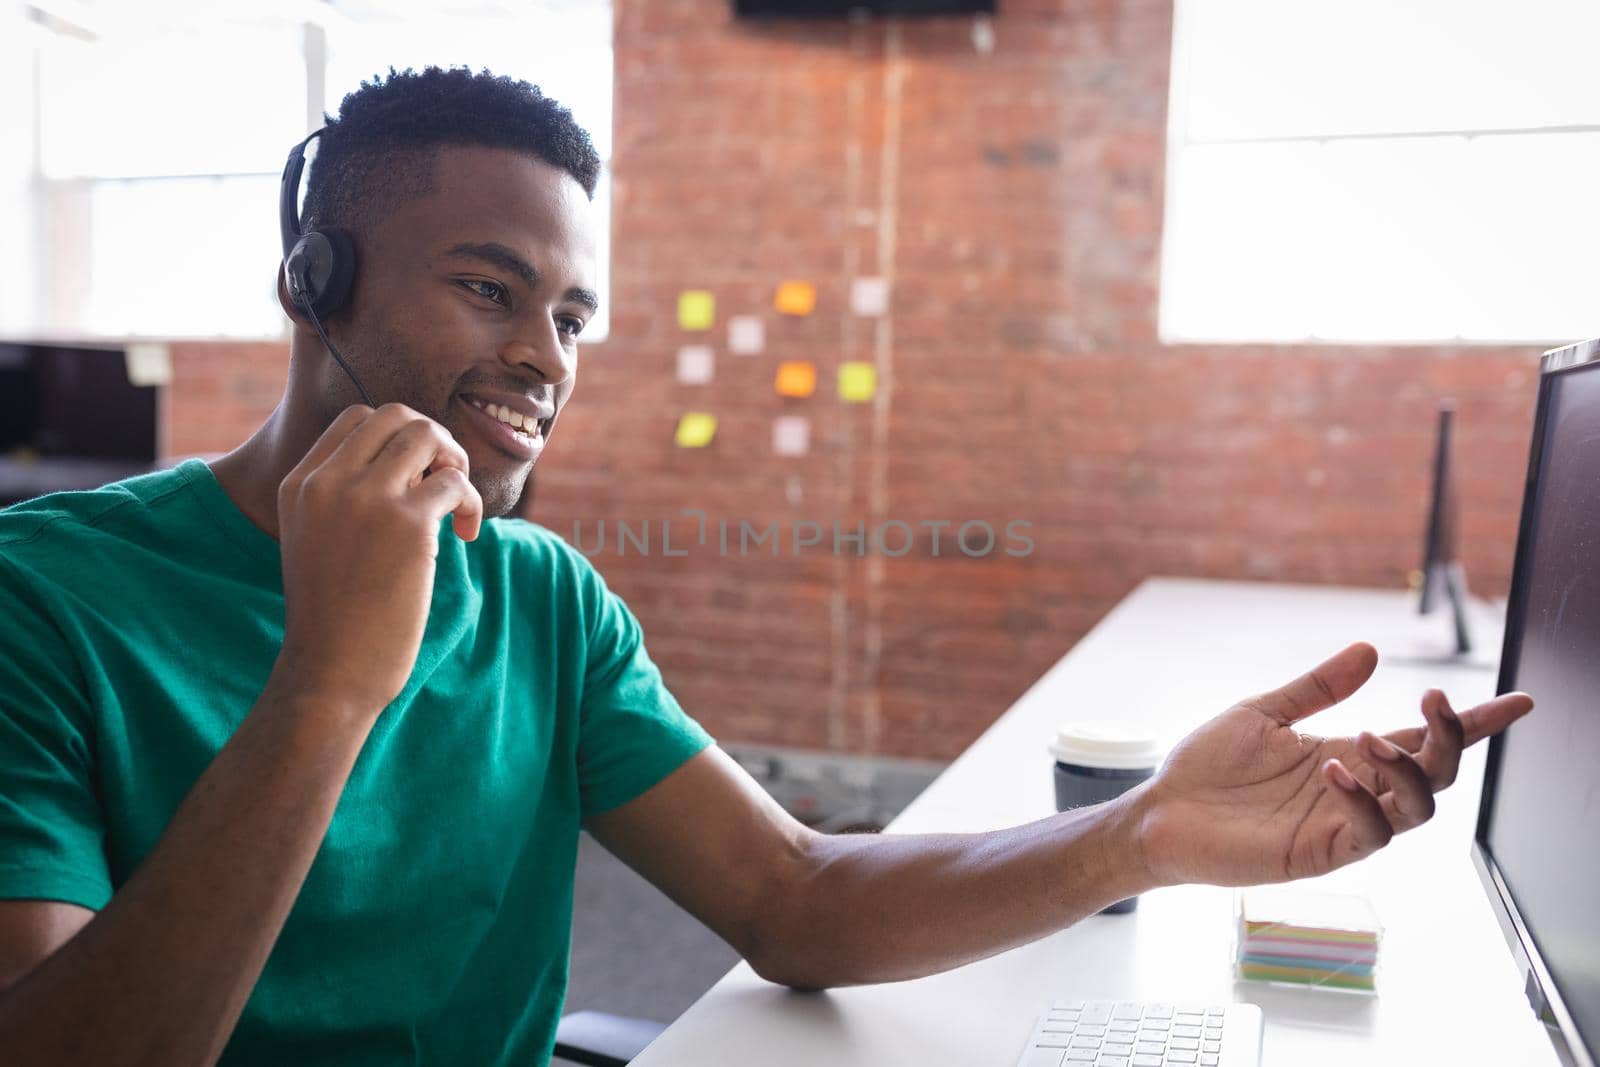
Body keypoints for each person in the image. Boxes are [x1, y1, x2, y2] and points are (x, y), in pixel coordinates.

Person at [0, 67, 1532, 1067]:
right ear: (311, 278)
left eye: (576, 319)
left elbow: (795, 899)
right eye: (491, 289)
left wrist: (1146, 838)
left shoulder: (542, 602)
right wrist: (330, 684)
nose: (544, 356)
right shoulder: (46, 599)